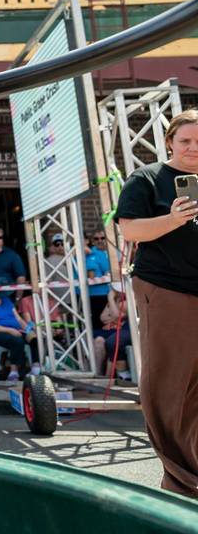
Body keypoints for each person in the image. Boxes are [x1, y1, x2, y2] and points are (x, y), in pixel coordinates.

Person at [115, 108, 198, 498]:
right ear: (169, 142)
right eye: (185, 140)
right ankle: (182, 480)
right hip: (166, 290)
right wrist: (174, 218)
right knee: (169, 385)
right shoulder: (146, 178)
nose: (193, 148)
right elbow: (130, 230)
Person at [0, 294, 33, 380]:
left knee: (34, 339)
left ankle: (36, 368)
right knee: (17, 341)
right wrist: (10, 330)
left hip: (17, 330)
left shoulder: (6, 300)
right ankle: (14, 371)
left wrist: (28, 330)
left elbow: (18, 319)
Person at [91, 285, 131, 381]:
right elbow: (103, 318)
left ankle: (108, 377)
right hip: (107, 329)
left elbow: (117, 316)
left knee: (112, 342)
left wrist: (110, 299)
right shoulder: (114, 300)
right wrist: (113, 311)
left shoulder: (127, 300)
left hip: (119, 331)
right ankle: (98, 373)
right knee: (98, 341)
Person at [84, 227, 113, 333]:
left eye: (102, 238)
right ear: (92, 241)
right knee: (100, 325)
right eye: (96, 239)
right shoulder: (92, 254)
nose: (100, 240)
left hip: (114, 293)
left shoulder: (113, 251)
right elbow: (105, 272)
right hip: (98, 295)